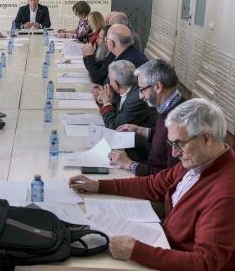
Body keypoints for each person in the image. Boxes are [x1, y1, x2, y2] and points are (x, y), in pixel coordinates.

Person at [69, 98, 235, 271]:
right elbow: (153, 184)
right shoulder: (199, 160)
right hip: (163, 241)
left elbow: (205, 264)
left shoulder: (226, 194)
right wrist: (99, 186)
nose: (174, 152)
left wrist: (136, 251)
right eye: (171, 144)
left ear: (206, 138)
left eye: (179, 143)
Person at [109, 59, 185, 176]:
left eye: (142, 90)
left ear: (157, 87)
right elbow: (164, 138)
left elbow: (169, 177)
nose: (140, 96)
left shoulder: (178, 121)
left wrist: (130, 164)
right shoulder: (172, 106)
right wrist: (142, 131)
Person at [96, 60, 157, 130]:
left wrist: (106, 103)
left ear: (116, 84)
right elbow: (113, 109)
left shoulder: (137, 99)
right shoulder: (124, 88)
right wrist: (102, 99)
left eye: (110, 80)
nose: (109, 83)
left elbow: (114, 127)